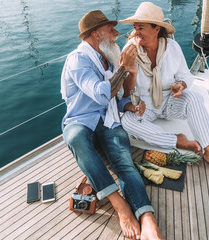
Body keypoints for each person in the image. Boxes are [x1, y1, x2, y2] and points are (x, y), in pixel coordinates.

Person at [61, 10, 162, 240]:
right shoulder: (78, 59)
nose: (117, 33)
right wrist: (124, 67)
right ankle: (120, 206)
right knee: (75, 137)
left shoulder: (106, 58)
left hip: (109, 121)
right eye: (111, 29)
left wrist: (130, 106)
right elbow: (101, 94)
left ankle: (147, 218)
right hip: (82, 121)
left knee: (125, 164)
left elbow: (117, 98)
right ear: (97, 35)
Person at [120, 2, 209, 181]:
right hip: (144, 105)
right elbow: (124, 94)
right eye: (134, 28)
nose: (136, 32)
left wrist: (181, 86)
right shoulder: (129, 51)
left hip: (170, 100)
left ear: (157, 29)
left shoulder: (172, 48)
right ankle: (177, 140)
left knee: (194, 97)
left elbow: (186, 77)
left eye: (141, 27)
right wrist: (131, 72)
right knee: (127, 122)